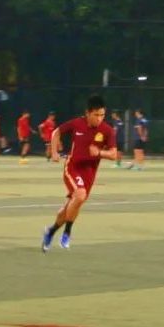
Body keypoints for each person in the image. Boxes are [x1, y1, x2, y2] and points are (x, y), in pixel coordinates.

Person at [41, 94, 117, 252]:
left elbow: (114, 154)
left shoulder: (107, 130)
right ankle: (67, 233)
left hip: (89, 173)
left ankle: (51, 231)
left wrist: (99, 153)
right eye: (96, 115)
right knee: (80, 195)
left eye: (102, 115)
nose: (99, 118)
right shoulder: (77, 123)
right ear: (87, 113)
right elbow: (56, 132)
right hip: (73, 167)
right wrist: (54, 152)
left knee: (72, 205)